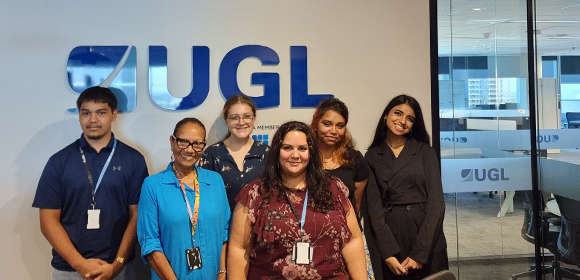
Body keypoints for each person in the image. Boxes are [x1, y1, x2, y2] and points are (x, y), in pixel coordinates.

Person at [32, 86, 149, 280]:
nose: (92, 120)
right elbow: (47, 221)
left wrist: (117, 264)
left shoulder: (133, 160)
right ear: (79, 115)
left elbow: (137, 216)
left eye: (101, 113)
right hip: (69, 269)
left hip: (118, 269)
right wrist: (80, 264)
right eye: (86, 113)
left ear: (113, 115)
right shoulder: (58, 162)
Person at [228, 121, 368, 279]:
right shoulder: (255, 193)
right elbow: (239, 250)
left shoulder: (334, 188)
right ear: (276, 152)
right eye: (287, 148)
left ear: (311, 152)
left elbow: (352, 241)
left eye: (302, 148)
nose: (295, 155)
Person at [365, 94, 448, 280]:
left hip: (426, 238)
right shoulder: (371, 156)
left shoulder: (425, 152)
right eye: (398, 113)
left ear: (414, 125)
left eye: (409, 118)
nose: (402, 121)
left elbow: (437, 204)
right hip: (391, 239)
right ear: (386, 115)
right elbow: (373, 209)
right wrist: (387, 253)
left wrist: (420, 254)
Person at [137, 118, 230, 280]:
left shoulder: (215, 181)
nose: (190, 150)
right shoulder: (153, 186)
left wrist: (222, 274)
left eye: (197, 143)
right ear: (172, 142)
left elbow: (224, 232)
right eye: (183, 142)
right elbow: (150, 243)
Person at [310, 98, 379, 279]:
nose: (334, 131)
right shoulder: (303, 158)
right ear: (315, 123)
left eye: (340, 126)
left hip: (348, 241)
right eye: (327, 124)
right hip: (311, 239)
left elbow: (354, 205)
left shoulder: (355, 160)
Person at [199, 94, 269, 211]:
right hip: (223, 226)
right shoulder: (211, 154)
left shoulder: (267, 152)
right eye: (234, 117)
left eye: (247, 116)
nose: (241, 122)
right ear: (226, 121)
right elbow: (203, 197)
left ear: (254, 118)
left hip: (260, 226)